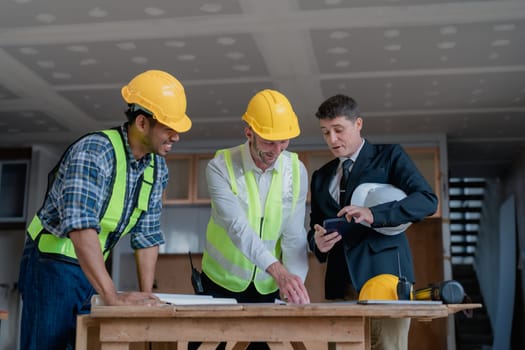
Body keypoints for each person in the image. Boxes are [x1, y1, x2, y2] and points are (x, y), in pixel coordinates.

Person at [18, 69, 192, 350]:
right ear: (142, 122)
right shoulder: (95, 151)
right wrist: (111, 296)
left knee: (82, 343)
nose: (176, 137)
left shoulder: (157, 168)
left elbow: (147, 236)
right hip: (51, 263)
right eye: (169, 128)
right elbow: (80, 226)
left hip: (90, 265)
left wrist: (147, 297)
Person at [308, 94, 438, 350]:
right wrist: (317, 243)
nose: (331, 139)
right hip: (339, 286)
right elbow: (314, 226)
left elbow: (427, 200)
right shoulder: (321, 176)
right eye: (325, 132)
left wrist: (374, 214)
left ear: (358, 124)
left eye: (338, 130)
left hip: (386, 283)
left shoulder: (389, 156)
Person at [201, 89, 310, 305]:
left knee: (264, 341)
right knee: (209, 341)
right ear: (249, 133)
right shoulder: (221, 167)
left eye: (284, 142)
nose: (277, 151)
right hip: (220, 282)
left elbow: (294, 236)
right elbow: (237, 227)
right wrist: (281, 274)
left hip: (267, 285)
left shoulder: (296, 171)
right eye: (269, 142)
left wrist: (295, 283)